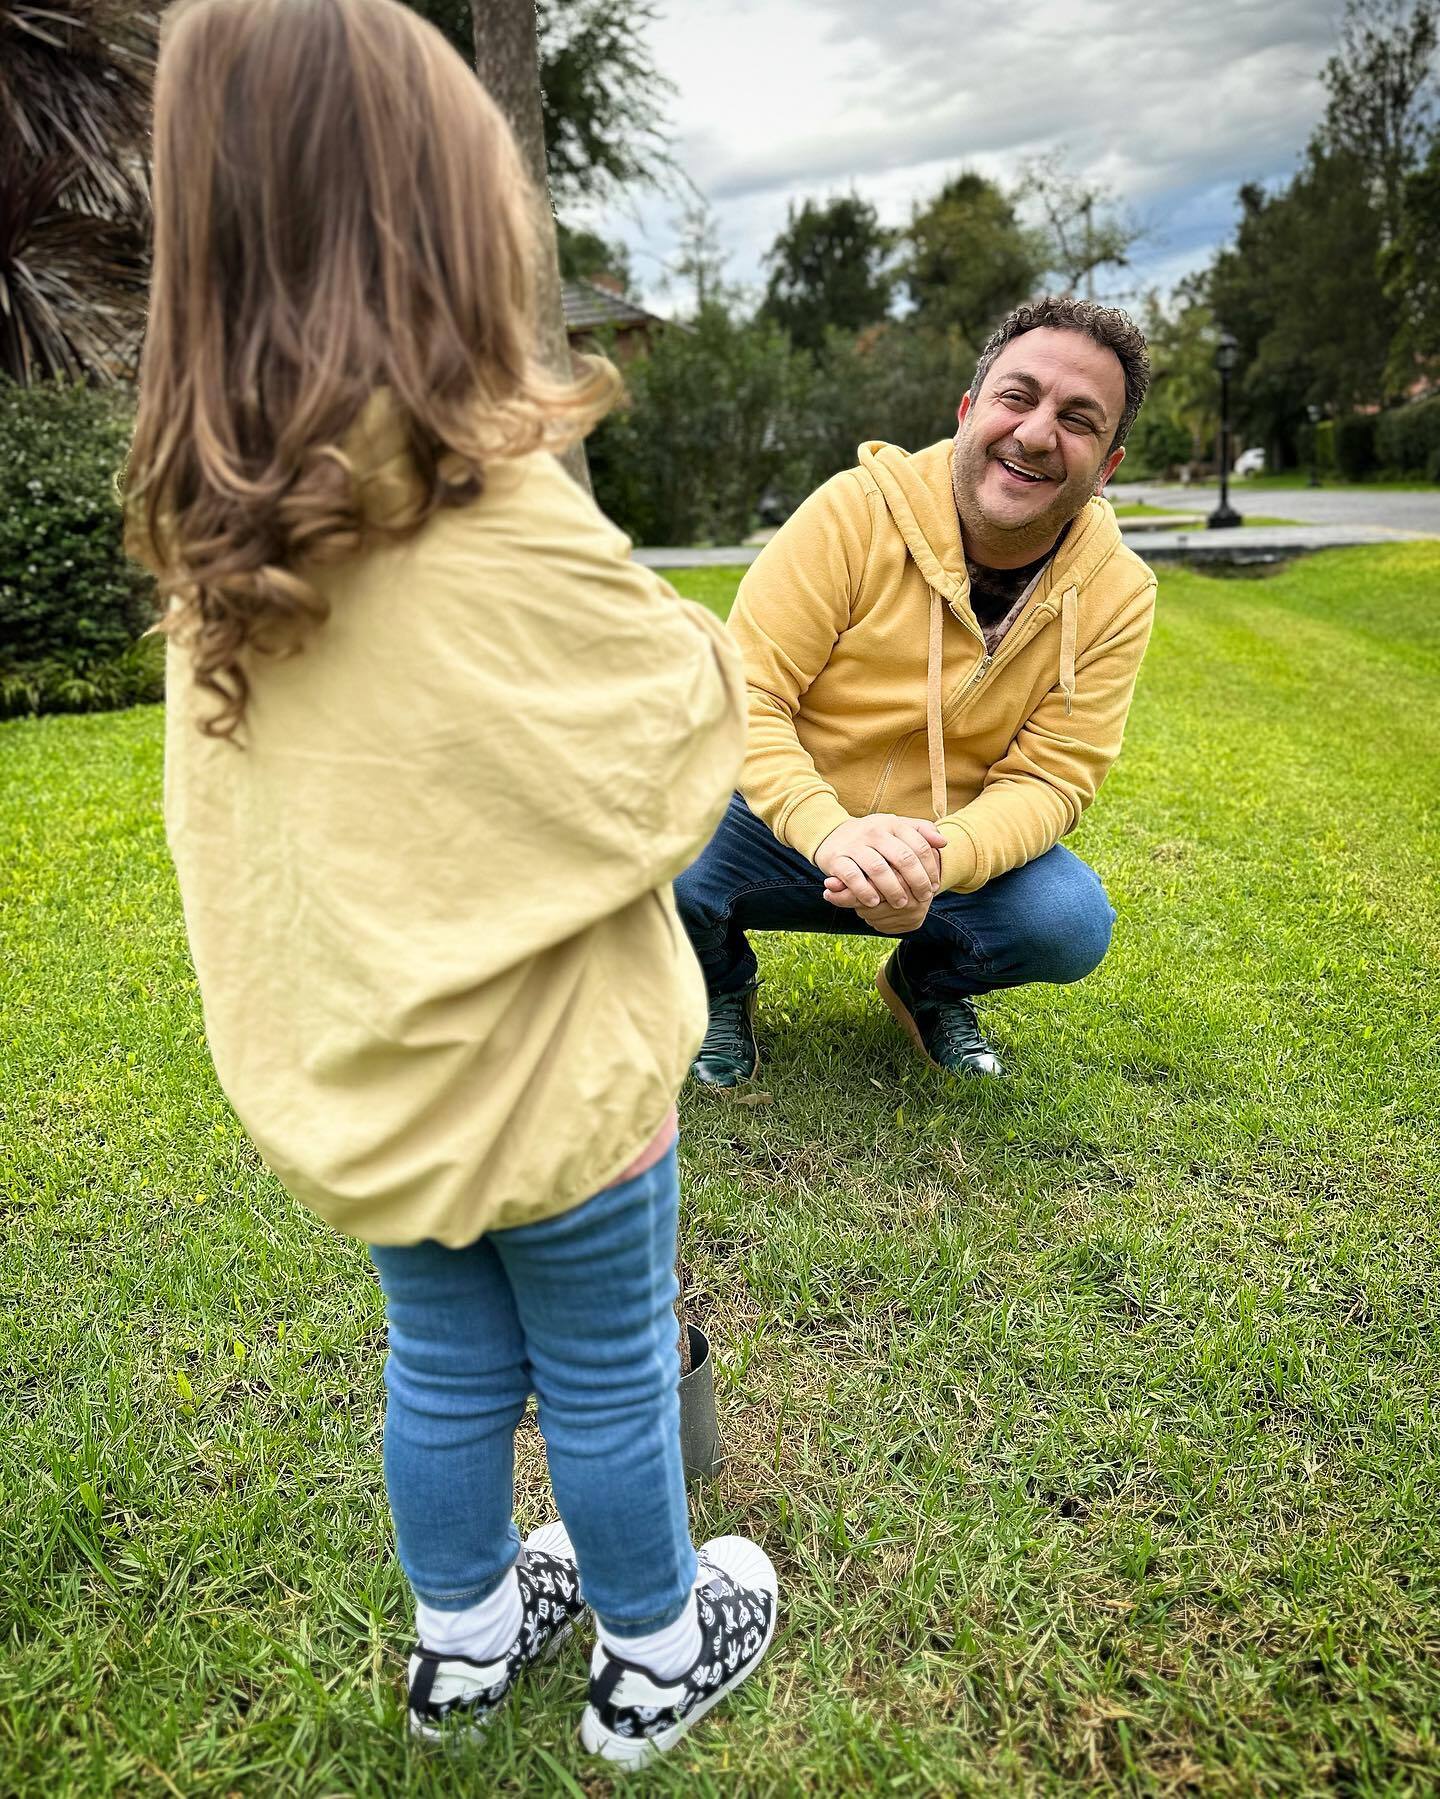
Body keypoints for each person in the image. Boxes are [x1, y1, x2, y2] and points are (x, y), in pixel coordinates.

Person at [126, 0, 777, 1767]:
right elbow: (668, 740)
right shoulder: (488, 511)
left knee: (443, 1368)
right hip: (556, 1089)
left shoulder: (216, 561)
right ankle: (653, 1646)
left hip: (380, 1086)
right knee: (611, 1373)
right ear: (458, 238)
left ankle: (463, 1642)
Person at [677, 297, 1158, 1084]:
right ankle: (719, 982)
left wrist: (938, 861)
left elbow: (1052, 777)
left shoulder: (1119, 591)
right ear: (970, 410)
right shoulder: (851, 514)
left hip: (938, 851)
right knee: (640, 846)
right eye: (1017, 396)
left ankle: (923, 983)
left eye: (1079, 419)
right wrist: (830, 831)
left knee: (1066, 921)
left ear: (1107, 467)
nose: (1037, 434)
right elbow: (748, 696)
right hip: (778, 825)